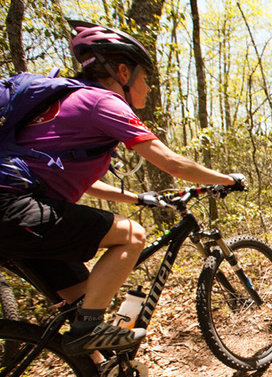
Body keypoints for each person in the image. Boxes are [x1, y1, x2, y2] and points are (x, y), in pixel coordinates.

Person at [0, 20, 242, 358]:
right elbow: (171, 163)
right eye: (146, 79)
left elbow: (81, 181)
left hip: (16, 213)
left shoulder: (65, 102)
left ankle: (95, 376)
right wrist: (228, 179)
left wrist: (137, 197)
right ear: (124, 72)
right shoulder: (102, 102)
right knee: (131, 235)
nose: (148, 88)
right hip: (14, 209)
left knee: (80, 299)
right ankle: (90, 332)